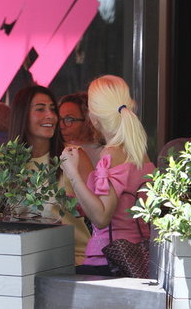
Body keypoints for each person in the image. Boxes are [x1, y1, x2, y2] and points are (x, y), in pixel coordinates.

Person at [60, 75, 155, 275]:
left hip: (108, 259)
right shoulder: (140, 154)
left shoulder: (111, 154)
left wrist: (72, 173)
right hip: (138, 258)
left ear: (93, 117)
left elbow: (102, 217)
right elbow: (126, 209)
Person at [8, 85, 92, 266]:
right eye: (40, 109)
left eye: (53, 109)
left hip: (73, 261)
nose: (51, 116)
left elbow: (98, 216)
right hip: (21, 261)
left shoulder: (73, 156)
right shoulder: (5, 164)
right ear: (22, 115)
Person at [58, 92, 105, 167]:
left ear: (88, 121)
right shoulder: (56, 150)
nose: (61, 126)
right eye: (59, 119)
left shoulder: (105, 154)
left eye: (69, 119)